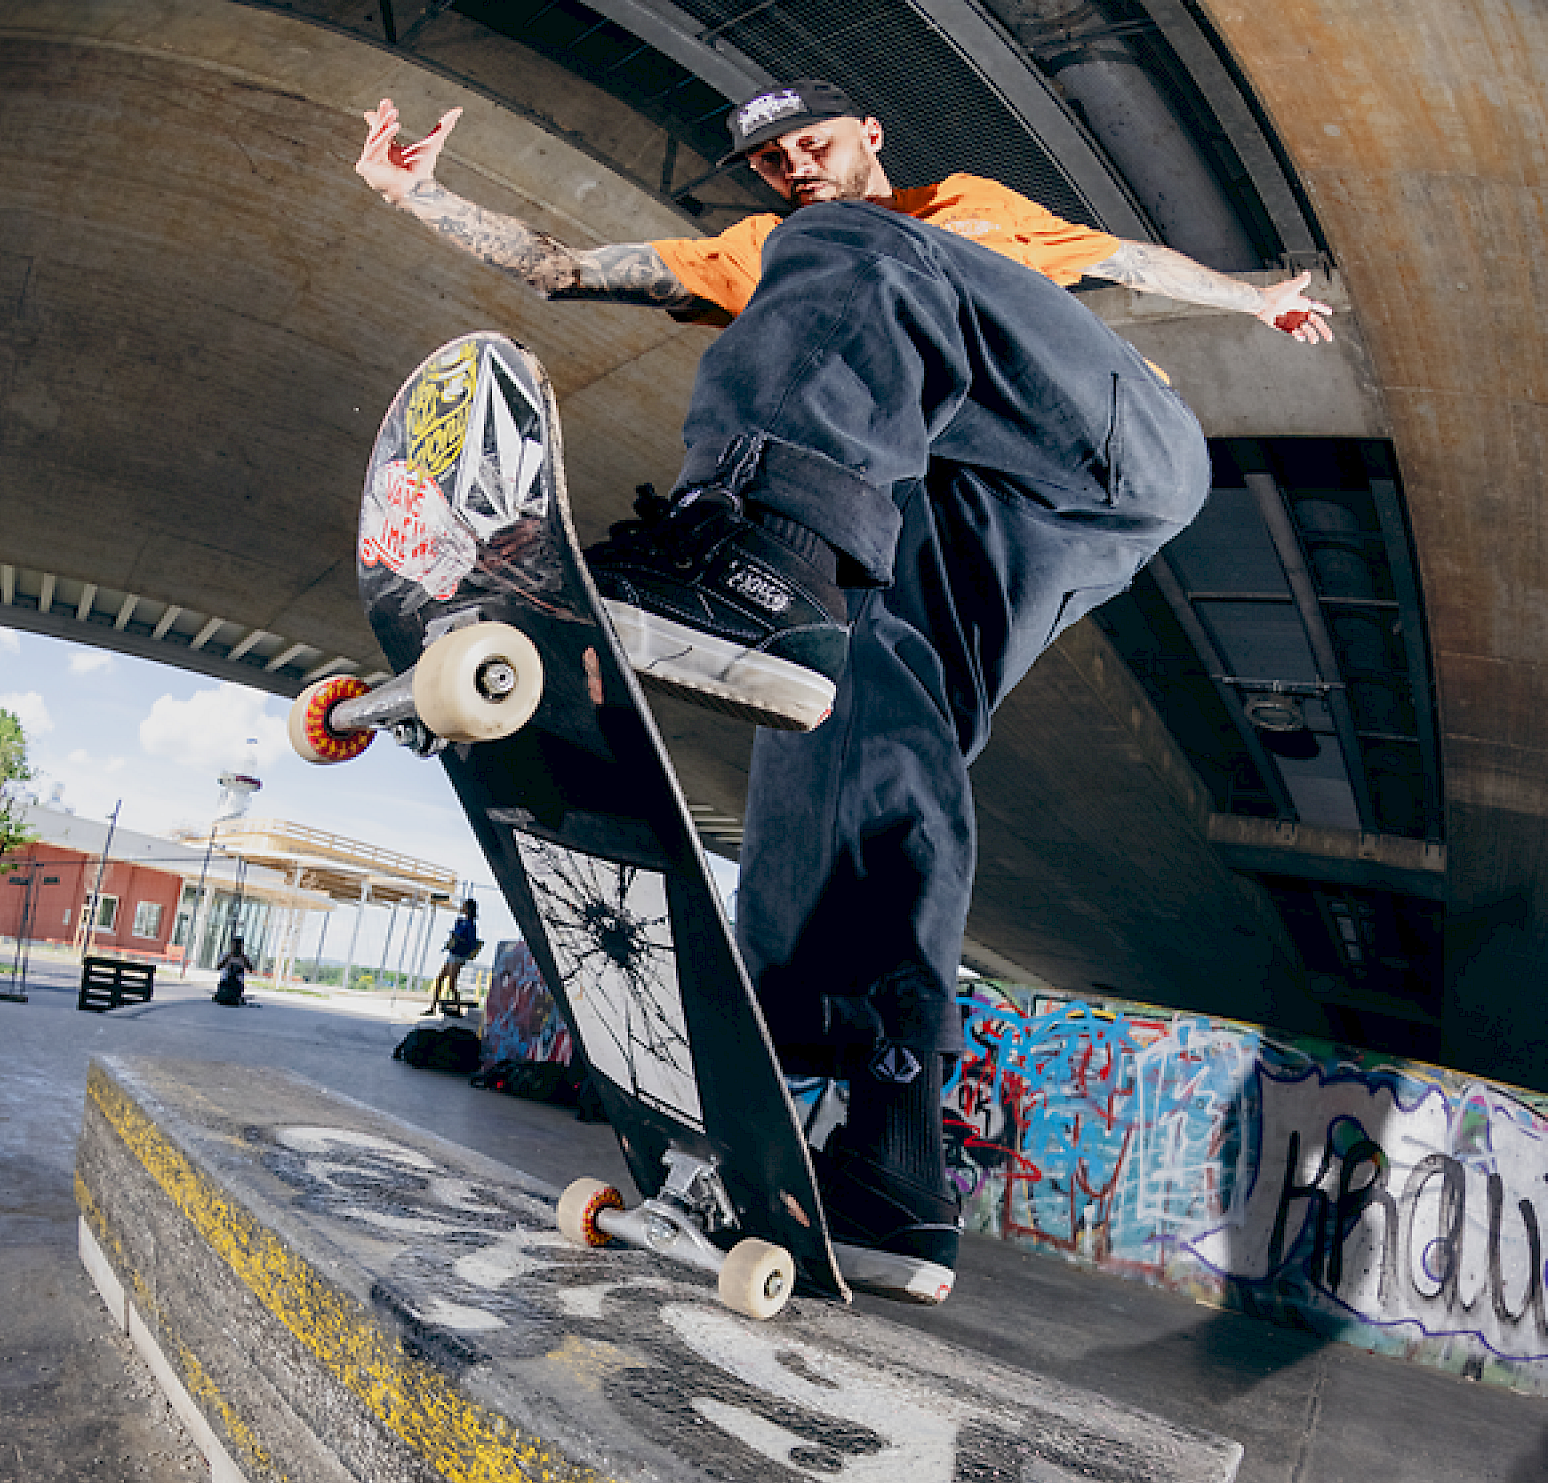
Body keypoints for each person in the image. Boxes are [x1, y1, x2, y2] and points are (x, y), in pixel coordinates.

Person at [354, 80, 1331, 1301]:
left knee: (851, 252)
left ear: (871, 131)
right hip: (962, 526)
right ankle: (888, 1145)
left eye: (811, 144)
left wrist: (1256, 297)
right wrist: (414, 195)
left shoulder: (943, 211)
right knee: (856, 716)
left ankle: (755, 553)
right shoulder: (767, 248)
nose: (795, 172)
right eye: (771, 167)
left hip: (1103, 451)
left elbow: (1127, 260)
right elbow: (562, 267)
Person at [427, 896, 480, 1015]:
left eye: (464, 906)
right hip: (453, 953)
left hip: (459, 955)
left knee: (451, 983)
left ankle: (457, 1007)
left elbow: (470, 942)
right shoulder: (461, 922)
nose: (462, 907)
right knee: (440, 979)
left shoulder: (470, 925)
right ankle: (433, 1007)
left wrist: (458, 938)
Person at [213, 935, 253, 1007]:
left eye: (239, 946)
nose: (236, 948)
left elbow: (250, 969)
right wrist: (226, 959)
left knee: (237, 988)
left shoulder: (244, 958)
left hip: (238, 982)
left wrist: (244, 960)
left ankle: (237, 997)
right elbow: (218, 967)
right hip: (226, 981)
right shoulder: (226, 956)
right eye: (235, 946)